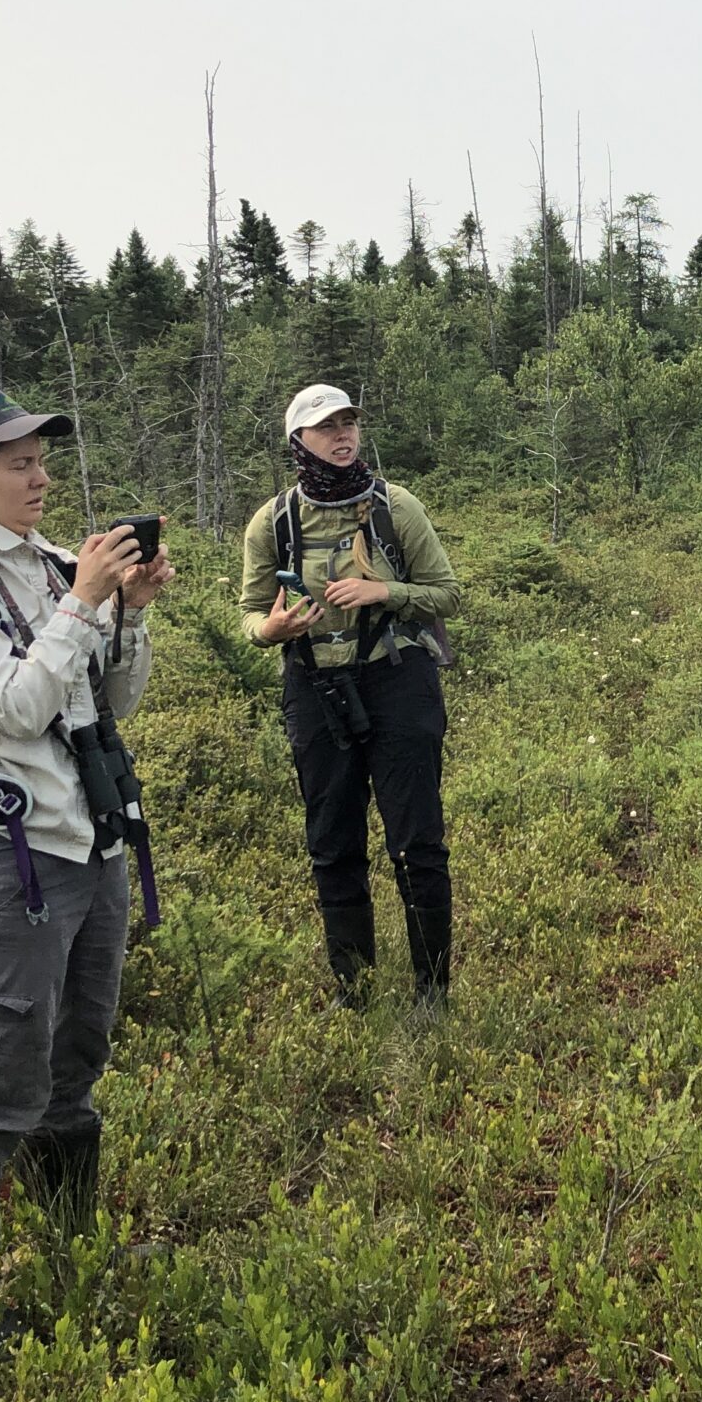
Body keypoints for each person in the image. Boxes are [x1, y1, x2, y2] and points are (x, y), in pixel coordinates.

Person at [0, 380, 173, 1288]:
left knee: (75, 1058)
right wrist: (82, 605)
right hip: (8, 861)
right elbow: (15, 707)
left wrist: (126, 611)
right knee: (0, 1078)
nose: (40, 477)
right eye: (19, 464)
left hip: (90, 846)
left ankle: (70, 1250)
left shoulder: (55, 566)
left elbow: (107, 703)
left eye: (41, 460)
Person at [240, 383, 463, 1011]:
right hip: (314, 688)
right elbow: (250, 611)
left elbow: (447, 594)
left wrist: (383, 594)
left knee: (416, 840)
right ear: (298, 441)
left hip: (397, 681)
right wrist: (271, 630)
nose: (342, 436)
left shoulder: (397, 508)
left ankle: (432, 993)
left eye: (349, 423)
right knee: (332, 842)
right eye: (326, 427)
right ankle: (354, 990)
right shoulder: (275, 521)